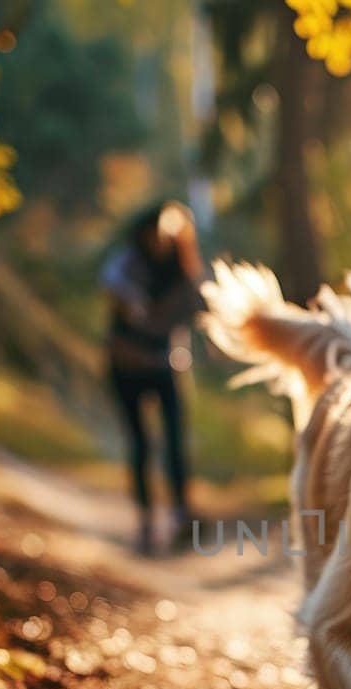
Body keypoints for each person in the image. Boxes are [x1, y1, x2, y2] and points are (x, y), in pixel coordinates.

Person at [101, 200, 204, 554]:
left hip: (164, 366)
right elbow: (119, 294)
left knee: (174, 441)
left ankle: (180, 515)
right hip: (127, 365)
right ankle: (147, 522)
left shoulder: (181, 269)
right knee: (141, 443)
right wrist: (137, 310)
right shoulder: (127, 263)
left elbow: (196, 306)